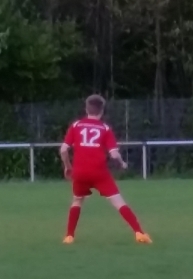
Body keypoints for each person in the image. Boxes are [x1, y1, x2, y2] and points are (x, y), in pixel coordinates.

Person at [60, 95, 152, 245]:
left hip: (80, 171)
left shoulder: (76, 125)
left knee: (77, 201)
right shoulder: (105, 128)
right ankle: (139, 233)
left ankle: (69, 236)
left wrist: (67, 167)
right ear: (102, 111)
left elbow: (64, 150)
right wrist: (122, 163)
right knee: (118, 201)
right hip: (99, 172)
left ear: (86, 109)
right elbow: (114, 154)